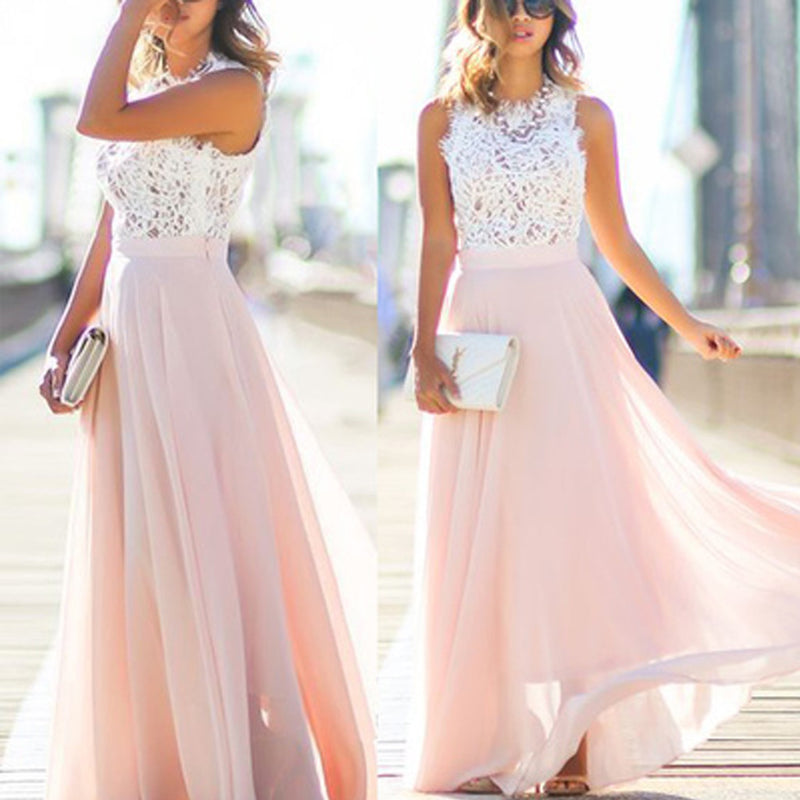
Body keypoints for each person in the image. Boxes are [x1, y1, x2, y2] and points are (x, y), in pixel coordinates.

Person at [404, 0, 800, 796]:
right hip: (476, 328)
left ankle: (578, 747)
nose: (523, 19)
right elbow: (439, 236)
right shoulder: (438, 118)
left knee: (572, 526)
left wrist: (686, 325)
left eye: (539, 6)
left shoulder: (588, 116)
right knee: (485, 532)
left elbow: (614, 235)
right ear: (474, 14)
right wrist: (420, 346)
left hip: (562, 328)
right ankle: (481, 746)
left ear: (557, 19)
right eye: (506, 5)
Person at [36, 1, 376, 798]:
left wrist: (125, 17)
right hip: (128, 326)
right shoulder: (156, 85)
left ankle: (233, 753)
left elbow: (96, 119)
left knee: (207, 535)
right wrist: (67, 332)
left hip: (188, 324)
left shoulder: (236, 88)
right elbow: (111, 222)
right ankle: (158, 753)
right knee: (144, 543)